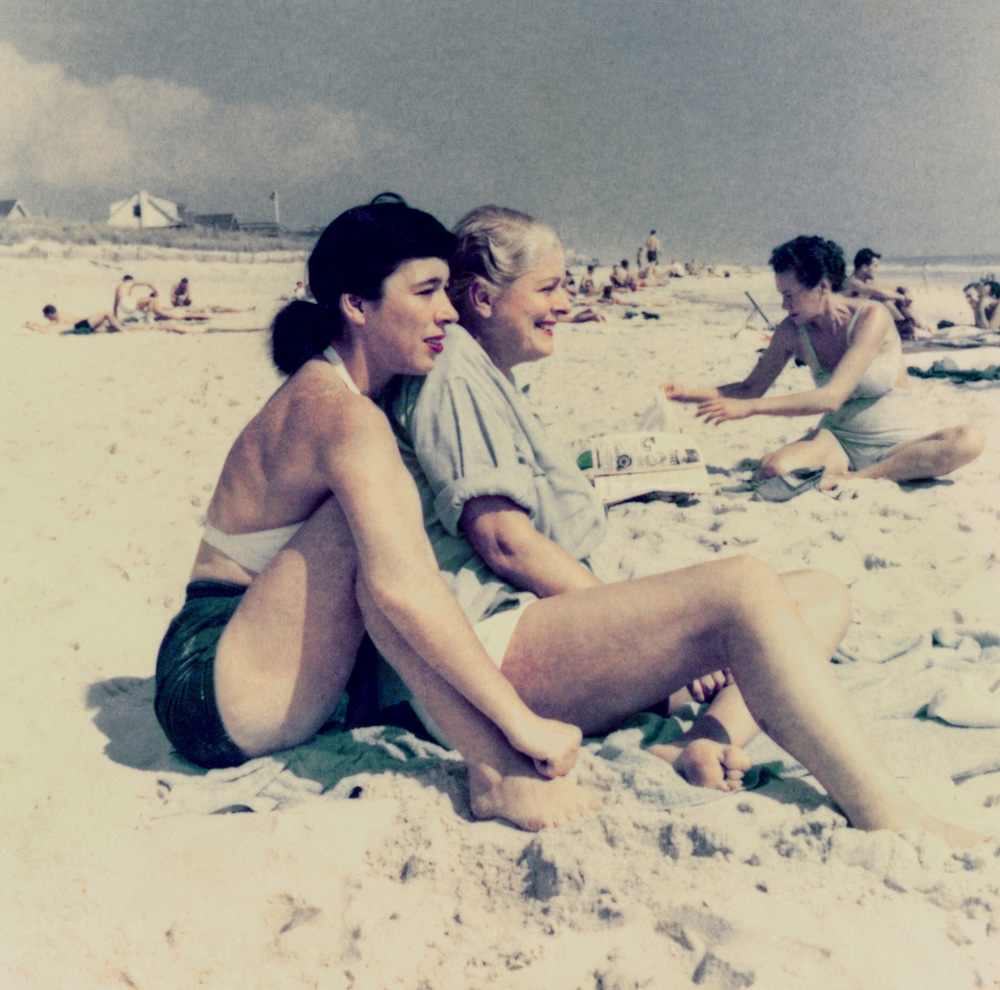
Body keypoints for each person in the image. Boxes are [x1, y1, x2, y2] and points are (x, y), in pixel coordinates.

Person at [383, 206, 981, 843]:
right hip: (494, 647)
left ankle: (705, 740)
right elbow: (504, 543)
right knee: (745, 587)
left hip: (545, 627)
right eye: (550, 287)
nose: (565, 303)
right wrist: (636, 618)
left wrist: (654, 627)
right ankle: (887, 811)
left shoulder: (486, 376)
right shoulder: (454, 376)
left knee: (819, 593)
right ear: (482, 297)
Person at [153, 195, 596, 832]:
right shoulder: (340, 414)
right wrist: (519, 724)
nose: (448, 311)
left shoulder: (350, 395)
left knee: (381, 538)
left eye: (448, 289)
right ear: (357, 307)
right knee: (372, 546)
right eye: (425, 291)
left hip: (256, 660)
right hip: (209, 686)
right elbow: (401, 589)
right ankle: (494, 769)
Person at [664, 236, 985, 491]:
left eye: (790, 294)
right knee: (772, 470)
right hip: (838, 441)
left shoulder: (871, 317)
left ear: (822, 287)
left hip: (899, 444)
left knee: (969, 441)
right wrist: (687, 392)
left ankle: (865, 476)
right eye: (781, 294)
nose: (783, 304)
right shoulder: (792, 330)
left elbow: (831, 397)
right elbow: (751, 387)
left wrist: (750, 409)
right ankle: (858, 473)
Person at [845, 248, 930, 338]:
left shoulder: (869, 282)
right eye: (875, 266)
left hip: (868, 323)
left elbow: (897, 288)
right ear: (864, 268)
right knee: (881, 300)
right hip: (853, 326)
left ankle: (919, 327)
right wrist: (900, 297)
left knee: (898, 300)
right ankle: (906, 328)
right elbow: (879, 292)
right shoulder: (852, 282)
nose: (877, 270)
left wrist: (906, 293)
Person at [23, 304, 126, 335]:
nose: (48, 319)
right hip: (82, 327)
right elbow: (48, 329)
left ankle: (131, 329)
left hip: (82, 327)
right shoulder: (60, 318)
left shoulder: (60, 317)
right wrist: (33, 326)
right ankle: (125, 331)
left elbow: (49, 329)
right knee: (106, 313)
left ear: (50, 314)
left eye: (47, 316)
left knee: (112, 327)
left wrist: (33, 327)